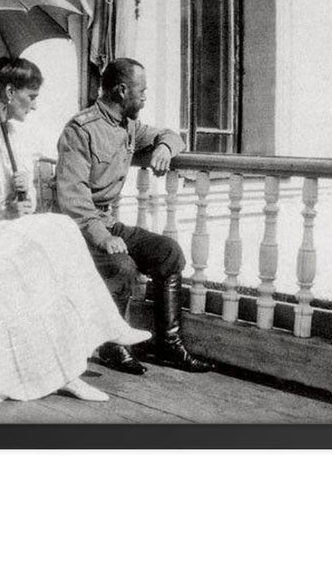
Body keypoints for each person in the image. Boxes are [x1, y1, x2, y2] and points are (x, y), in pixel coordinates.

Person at [0, 56, 151, 403]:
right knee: (52, 242)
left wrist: (23, 196)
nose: (35, 106)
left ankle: (75, 362)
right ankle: (87, 348)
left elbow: (23, 206)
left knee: (58, 236)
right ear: (8, 92)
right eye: (31, 97)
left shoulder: (13, 135)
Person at [56, 57, 216, 376]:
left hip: (105, 223)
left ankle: (168, 345)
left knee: (168, 253)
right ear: (122, 90)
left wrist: (165, 149)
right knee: (122, 264)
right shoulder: (81, 129)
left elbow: (172, 134)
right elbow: (73, 199)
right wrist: (103, 237)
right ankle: (112, 345)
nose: (145, 97)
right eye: (141, 92)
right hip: (75, 230)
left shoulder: (128, 125)